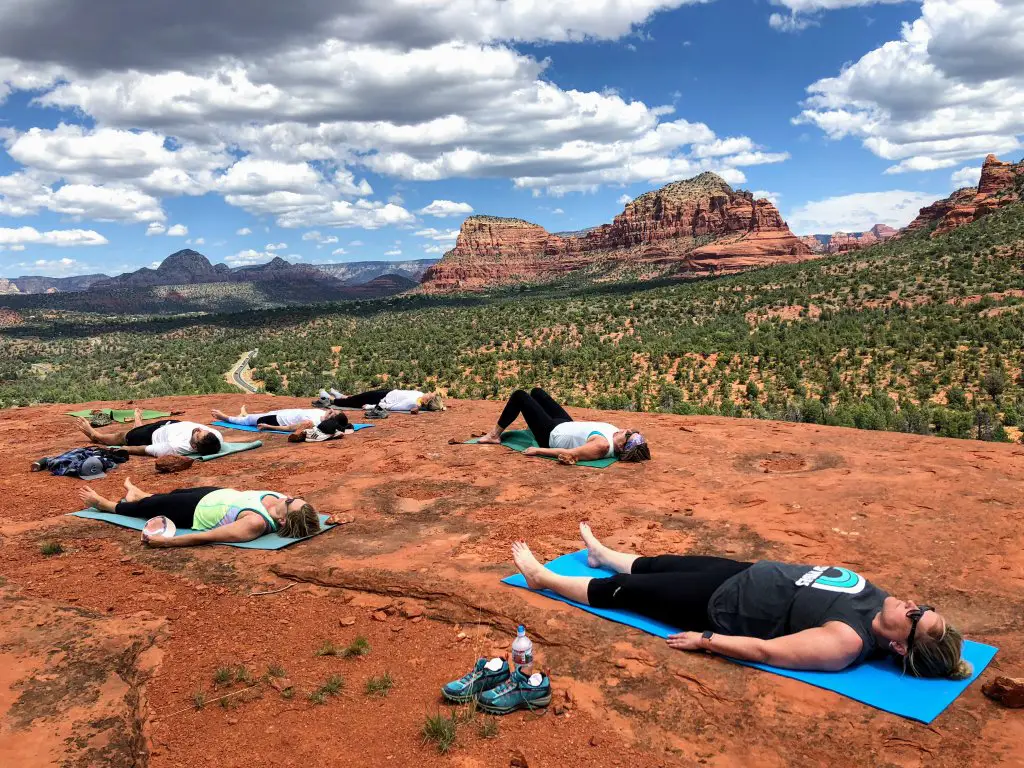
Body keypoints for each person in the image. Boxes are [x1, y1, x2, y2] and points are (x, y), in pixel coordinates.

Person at [510, 523, 972, 680]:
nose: (912, 604)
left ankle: (542, 577)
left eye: (917, 616)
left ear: (899, 647)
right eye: (923, 605)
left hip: (721, 607)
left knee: (625, 592)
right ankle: (603, 554)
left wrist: (708, 640)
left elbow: (770, 652)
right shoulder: (880, 604)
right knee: (664, 562)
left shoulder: (845, 644)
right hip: (747, 573)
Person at [79, 478, 320, 548]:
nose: (288, 497)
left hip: (193, 512)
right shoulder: (278, 502)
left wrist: (168, 542)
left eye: (291, 502)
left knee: (145, 509)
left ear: (282, 519)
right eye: (294, 498)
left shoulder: (255, 523)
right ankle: (141, 494)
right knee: (168, 495)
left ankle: (105, 505)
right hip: (213, 495)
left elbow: (210, 536)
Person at [476, 388, 650, 464]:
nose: (627, 430)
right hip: (565, 423)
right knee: (537, 392)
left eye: (628, 435)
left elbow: (571, 454)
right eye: (632, 431)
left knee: (520, 396)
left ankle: (494, 435)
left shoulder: (602, 446)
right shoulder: (616, 435)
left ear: (622, 446)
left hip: (551, 434)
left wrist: (538, 451)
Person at [76, 409, 221, 457]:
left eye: (197, 434)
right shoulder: (215, 436)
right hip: (172, 424)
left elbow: (143, 449)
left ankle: (96, 436)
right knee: (137, 429)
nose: (198, 429)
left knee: (123, 436)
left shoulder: (175, 447)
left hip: (152, 435)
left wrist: (122, 449)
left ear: (194, 447)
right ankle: (137, 424)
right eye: (202, 430)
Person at [211, 404, 349, 433]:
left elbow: (290, 429)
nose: (330, 410)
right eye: (332, 410)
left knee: (247, 421)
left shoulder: (312, 423)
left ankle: (225, 417)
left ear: (331, 420)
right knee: (252, 417)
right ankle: (243, 414)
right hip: (283, 412)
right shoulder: (321, 412)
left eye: (332, 413)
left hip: (275, 420)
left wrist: (269, 427)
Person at [318, 387, 445, 414]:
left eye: (432, 395)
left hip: (381, 398)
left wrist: (370, 407)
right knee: (360, 396)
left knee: (356, 401)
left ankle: (330, 400)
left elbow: (393, 407)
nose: (430, 392)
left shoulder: (413, 403)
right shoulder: (421, 396)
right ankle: (341, 396)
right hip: (389, 392)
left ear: (429, 399)